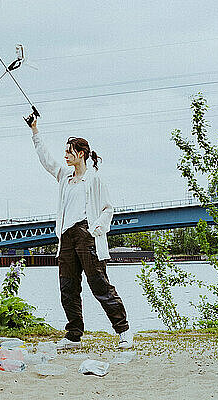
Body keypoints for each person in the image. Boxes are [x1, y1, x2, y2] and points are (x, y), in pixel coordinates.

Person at [27, 114, 133, 350]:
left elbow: (108, 208)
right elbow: (46, 160)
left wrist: (98, 227)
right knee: (68, 287)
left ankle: (123, 330)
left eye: (69, 151)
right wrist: (35, 132)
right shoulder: (64, 176)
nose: (65, 155)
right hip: (66, 237)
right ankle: (73, 334)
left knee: (99, 285)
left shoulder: (94, 179)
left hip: (86, 235)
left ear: (81, 154)